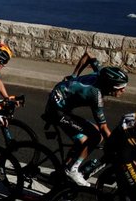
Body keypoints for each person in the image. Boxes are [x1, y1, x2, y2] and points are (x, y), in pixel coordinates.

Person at [43, 54, 128, 186]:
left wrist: (74, 75)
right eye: (120, 86)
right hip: (57, 110)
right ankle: (72, 169)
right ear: (110, 85)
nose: (123, 89)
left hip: (61, 99)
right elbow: (103, 128)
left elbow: (89, 55)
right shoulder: (95, 95)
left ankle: (62, 171)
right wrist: (116, 145)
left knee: (88, 138)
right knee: (93, 137)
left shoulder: (101, 73)